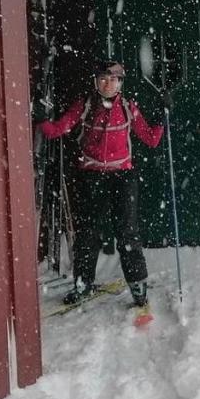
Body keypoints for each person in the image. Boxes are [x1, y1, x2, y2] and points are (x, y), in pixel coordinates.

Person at [37, 59, 166, 307]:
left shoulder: (128, 108)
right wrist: (42, 119)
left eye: (114, 80)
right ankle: (83, 285)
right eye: (103, 79)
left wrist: (161, 116)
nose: (108, 84)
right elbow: (56, 130)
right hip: (92, 176)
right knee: (87, 234)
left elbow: (151, 139)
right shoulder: (85, 106)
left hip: (123, 177)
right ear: (96, 82)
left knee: (127, 234)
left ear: (120, 83)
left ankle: (138, 288)